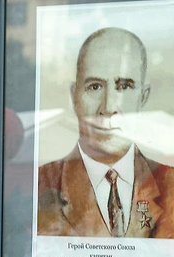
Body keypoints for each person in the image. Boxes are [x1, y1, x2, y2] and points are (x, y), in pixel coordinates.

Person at [37, 27, 174, 238]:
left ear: (143, 96)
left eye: (124, 86)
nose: (109, 106)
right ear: (74, 97)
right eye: (94, 87)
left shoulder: (170, 184)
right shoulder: (40, 185)